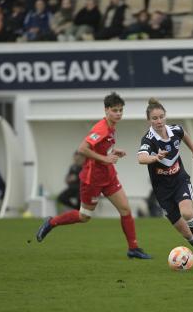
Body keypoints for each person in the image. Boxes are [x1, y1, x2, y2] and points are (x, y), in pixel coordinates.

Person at [36, 92, 152, 260]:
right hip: (93, 179)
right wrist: (105, 158)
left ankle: (133, 248)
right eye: (115, 110)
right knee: (84, 216)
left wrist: (112, 152)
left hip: (109, 175)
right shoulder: (101, 128)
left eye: (121, 110)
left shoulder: (111, 127)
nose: (118, 114)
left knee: (125, 209)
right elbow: (82, 148)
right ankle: (51, 222)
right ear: (106, 110)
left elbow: (99, 148)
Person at [137, 98, 193, 266]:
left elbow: (184, 134)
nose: (159, 121)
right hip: (162, 191)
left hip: (179, 181)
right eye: (155, 118)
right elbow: (141, 158)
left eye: (161, 117)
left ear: (165, 116)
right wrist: (155, 157)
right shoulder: (148, 139)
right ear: (149, 120)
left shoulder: (175, 130)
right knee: (185, 232)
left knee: (188, 213)